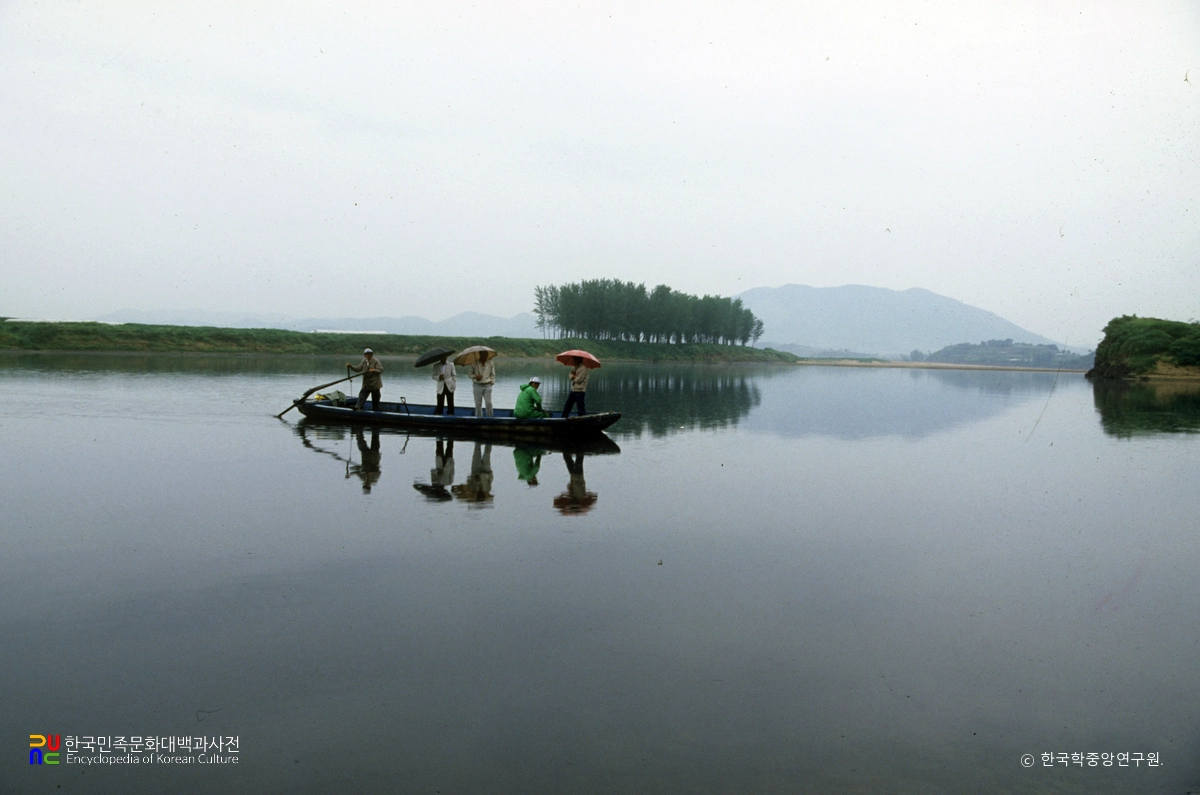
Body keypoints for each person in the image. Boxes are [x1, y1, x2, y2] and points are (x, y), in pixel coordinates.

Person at [469, 350, 495, 417]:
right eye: (484, 354)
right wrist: (476, 376)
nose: (486, 356)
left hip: (487, 384)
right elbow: (470, 374)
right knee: (478, 403)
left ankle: (490, 418)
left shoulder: (490, 363)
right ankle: (479, 418)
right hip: (477, 385)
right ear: (480, 355)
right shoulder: (474, 363)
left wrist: (492, 382)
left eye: (487, 354)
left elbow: (493, 375)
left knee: (488, 403)